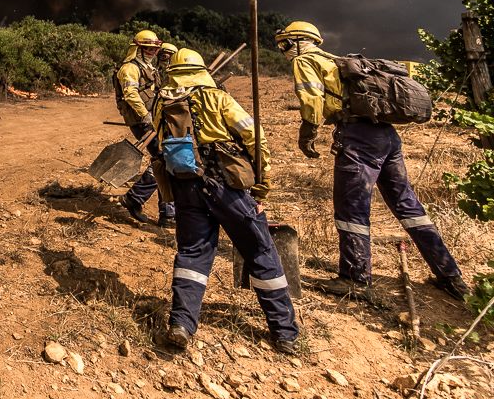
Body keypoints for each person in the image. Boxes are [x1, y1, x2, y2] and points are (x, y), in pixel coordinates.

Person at [275, 22, 471, 300]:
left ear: (295, 41)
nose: (282, 49)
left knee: (352, 207)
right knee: (408, 204)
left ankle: (355, 279)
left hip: (358, 137)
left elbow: (311, 98)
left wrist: (307, 131)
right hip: (386, 135)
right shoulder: (337, 61)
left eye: (284, 43)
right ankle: (450, 275)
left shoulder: (306, 60)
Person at [156, 48, 299, 353]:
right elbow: (255, 138)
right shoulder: (218, 99)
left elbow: (160, 151)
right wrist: (262, 187)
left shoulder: (164, 103)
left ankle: (181, 324)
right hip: (227, 188)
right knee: (260, 251)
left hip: (185, 189)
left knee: (192, 256)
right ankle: (285, 332)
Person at [115, 30, 175, 227]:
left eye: (154, 48)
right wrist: (145, 115)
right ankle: (134, 198)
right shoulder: (129, 68)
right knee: (164, 160)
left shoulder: (149, 67)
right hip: (142, 121)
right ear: (138, 48)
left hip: (155, 118)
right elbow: (130, 94)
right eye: (148, 48)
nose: (152, 51)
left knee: (166, 160)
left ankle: (167, 214)